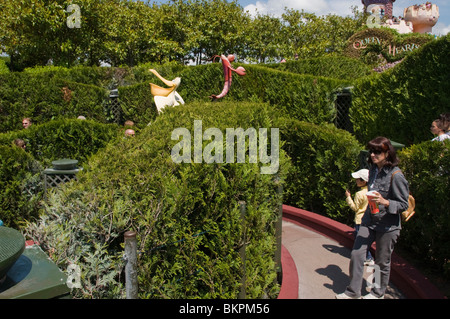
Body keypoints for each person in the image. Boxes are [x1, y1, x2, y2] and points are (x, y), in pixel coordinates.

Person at [336, 137, 409, 299]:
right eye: (371, 151)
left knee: (382, 261)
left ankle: (377, 293)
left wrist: (385, 202)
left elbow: (403, 204)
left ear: (387, 153)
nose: (373, 155)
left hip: (388, 225)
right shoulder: (373, 170)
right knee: (356, 254)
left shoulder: (396, 175)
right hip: (369, 221)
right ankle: (353, 292)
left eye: (377, 152)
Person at [345, 169, 373, 265]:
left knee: (359, 240)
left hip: (359, 220)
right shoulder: (371, 191)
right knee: (364, 239)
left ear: (363, 181)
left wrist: (348, 197)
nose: (356, 181)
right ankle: (367, 257)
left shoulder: (359, 194)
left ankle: (368, 257)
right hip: (368, 219)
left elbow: (355, 208)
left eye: (357, 179)